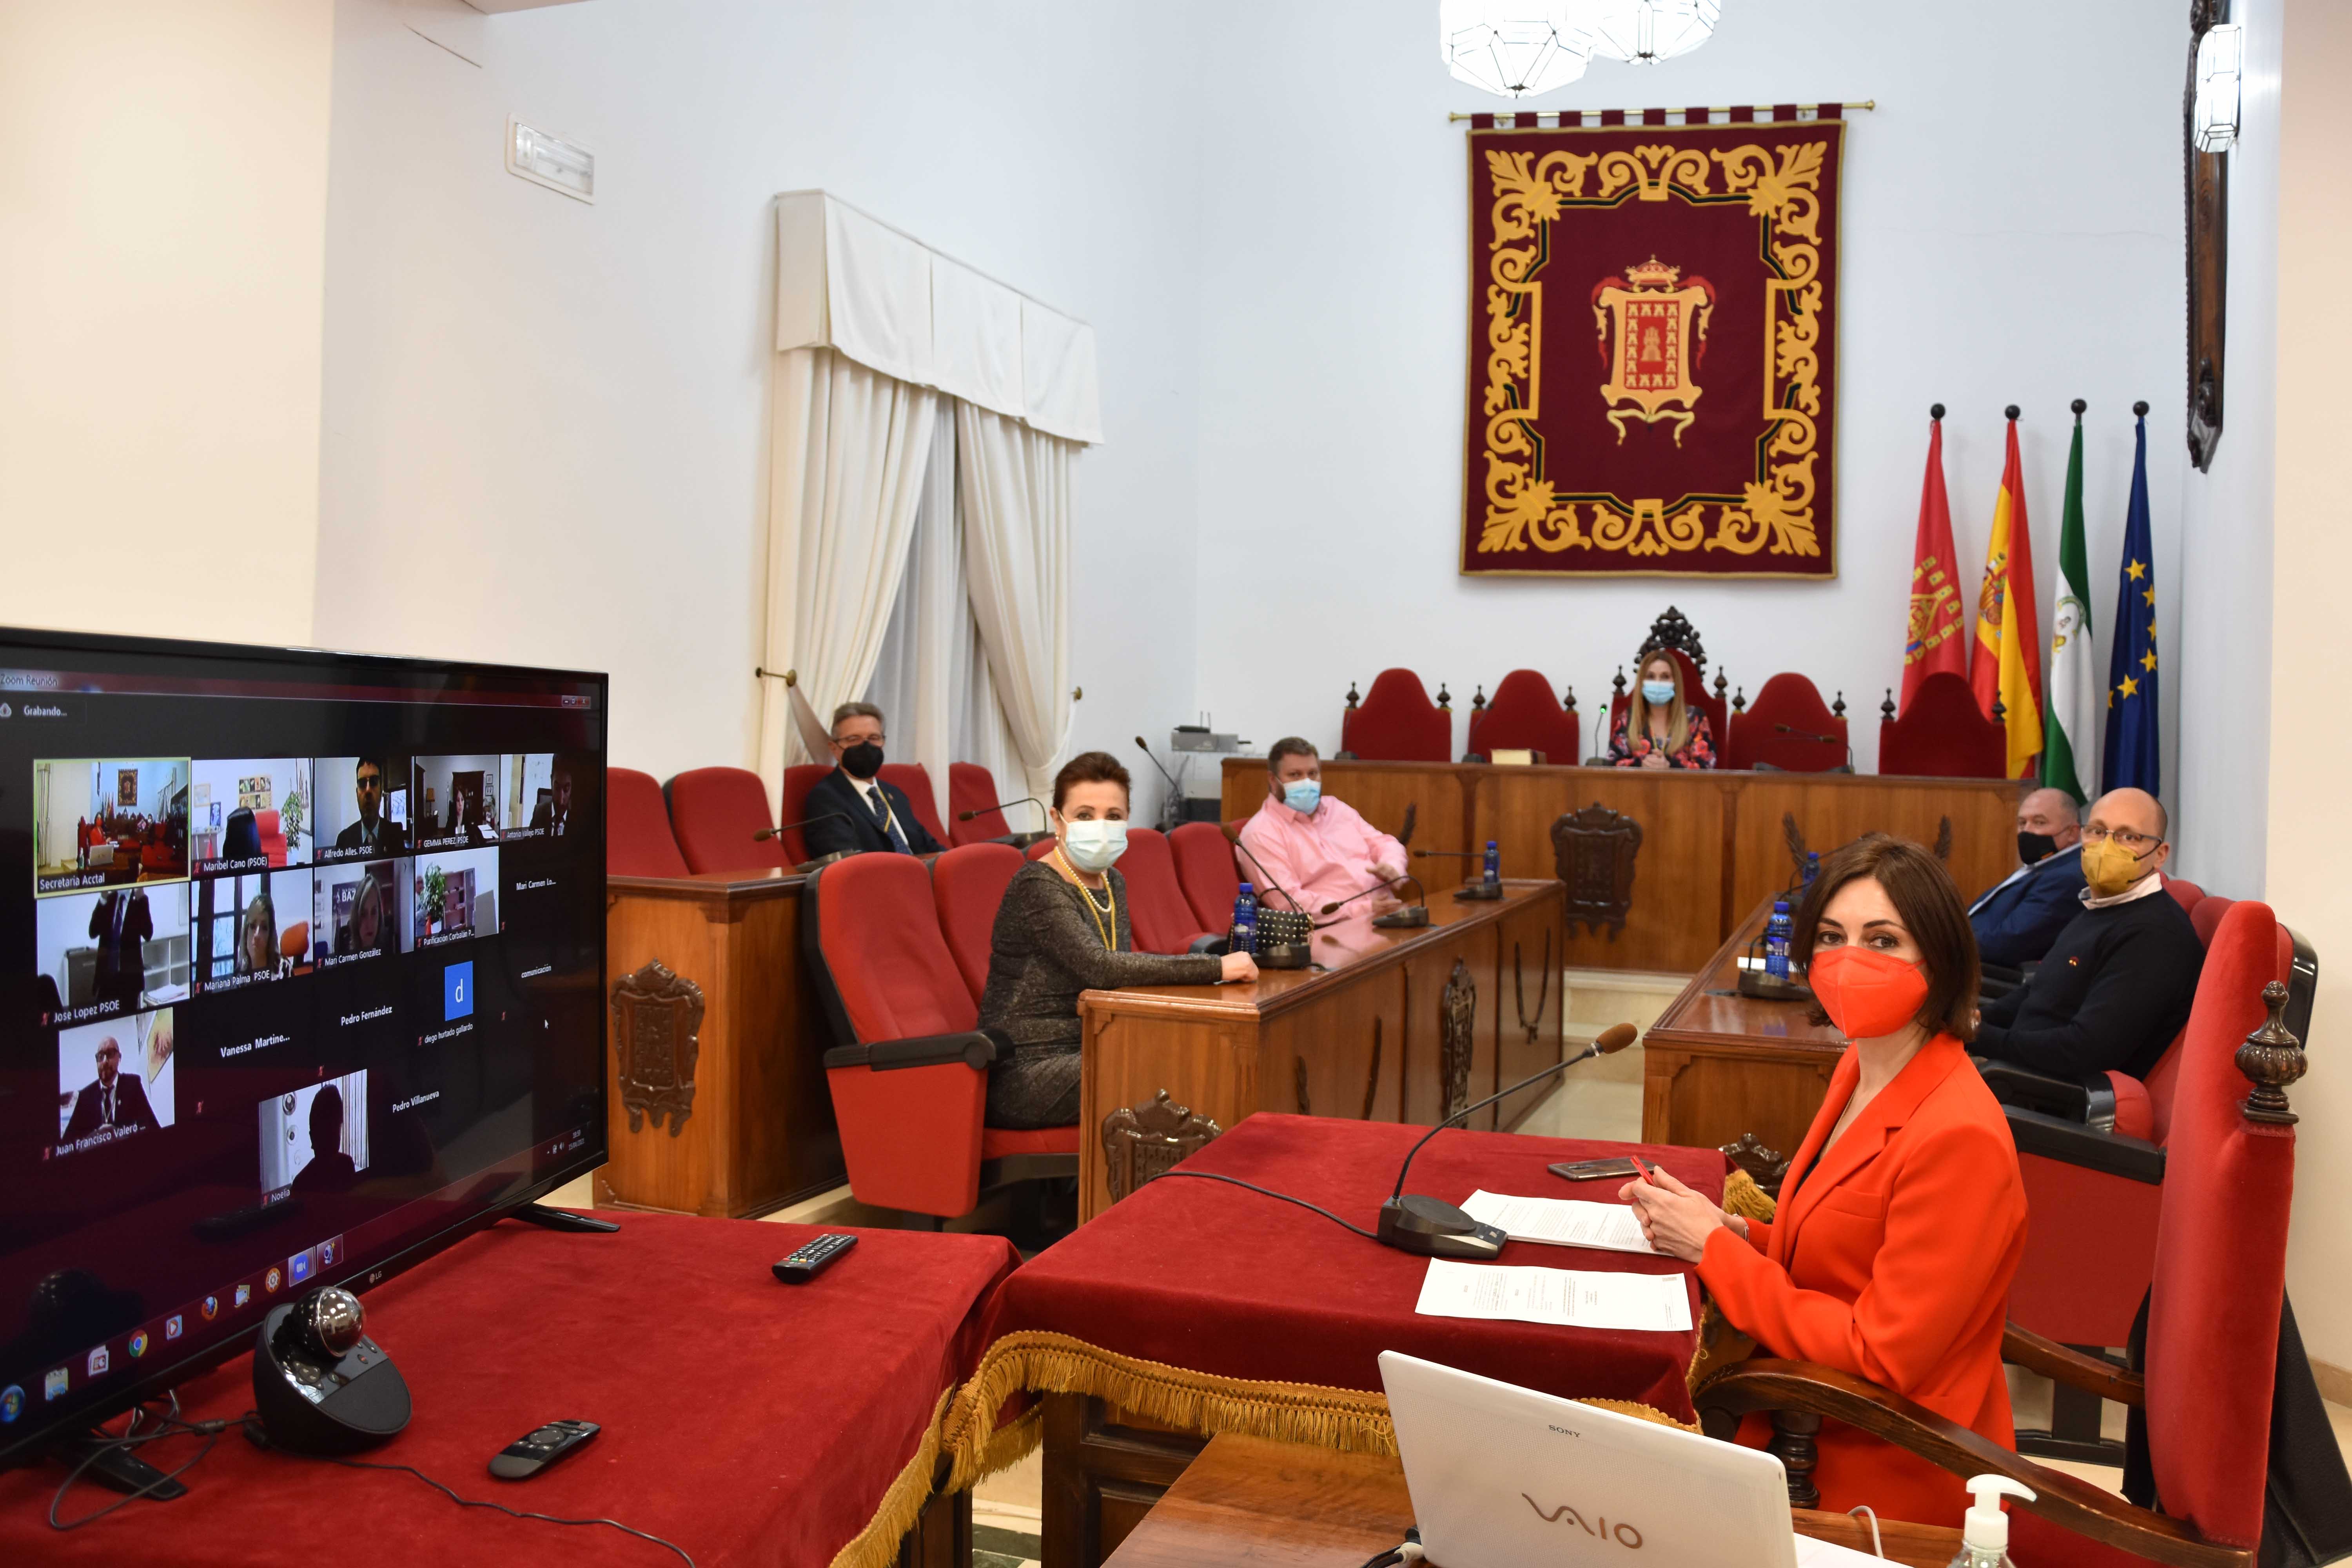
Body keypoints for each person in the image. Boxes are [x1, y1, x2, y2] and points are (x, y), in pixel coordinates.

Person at [1622, 832, 2024, 1526]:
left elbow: (1880, 1355)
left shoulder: (1960, 1136)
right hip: (1804, 1406)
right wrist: (1733, 1231)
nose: (1849, 960)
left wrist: (1713, 1253)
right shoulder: (1860, 1068)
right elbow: (1837, 1254)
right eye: (1832, 937)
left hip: (1877, 1455)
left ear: (1940, 958)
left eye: (1883, 940)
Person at [978, 751, 1256, 1128]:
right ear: (1057, 820)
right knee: (1179, 1063)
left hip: (1096, 1042)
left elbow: (1118, 979)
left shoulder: (1112, 882)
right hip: (1028, 1069)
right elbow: (1101, 968)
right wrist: (1216, 967)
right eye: (1084, 815)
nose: (1100, 826)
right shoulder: (1037, 885)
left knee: (1200, 1048)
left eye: (1113, 816)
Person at [1973, 786, 2203, 1082]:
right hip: (2014, 1066)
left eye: (2128, 837)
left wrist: (1979, 1037)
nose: (2107, 847)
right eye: (2097, 831)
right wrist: (1976, 1020)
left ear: (2160, 855)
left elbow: (2085, 1051)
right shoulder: (2103, 905)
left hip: (2041, 1091)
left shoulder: (2154, 935)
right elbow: (2042, 991)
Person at [1237, 738, 1408, 915]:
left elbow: (1385, 843)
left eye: (1312, 774)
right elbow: (1287, 901)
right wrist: (1362, 909)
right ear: (1273, 780)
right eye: (1295, 775)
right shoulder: (1261, 832)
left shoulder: (1336, 808)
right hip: (1338, 926)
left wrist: (1392, 866)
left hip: (1389, 911)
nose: (1307, 782)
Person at [801, 702, 945, 860]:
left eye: (874, 738)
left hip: (923, 871)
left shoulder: (895, 794)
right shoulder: (825, 799)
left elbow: (930, 847)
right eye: (853, 739)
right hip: (881, 873)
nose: (866, 746)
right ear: (834, 748)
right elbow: (848, 860)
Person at [1967, 787, 2087, 969]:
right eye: (2022, 823)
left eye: (2039, 823)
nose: (2026, 831)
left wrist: (1944, 939)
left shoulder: (2065, 878)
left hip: (1989, 973)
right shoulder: (2044, 866)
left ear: (2072, 833)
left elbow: (2006, 944)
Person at [1606, 649, 1716, 769]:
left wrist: (1670, 767)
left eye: (1665, 677)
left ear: (1675, 682)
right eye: (1651, 677)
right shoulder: (1627, 718)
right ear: (1642, 682)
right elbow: (1612, 764)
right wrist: (1641, 766)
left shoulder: (1695, 718)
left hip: (1680, 783)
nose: (1658, 682)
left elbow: (1707, 767)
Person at [62, 1035, 162, 1141]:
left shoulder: (133, 1085)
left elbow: (152, 1128)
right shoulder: (85, 1096)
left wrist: (121, 1136)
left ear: (120, 1058)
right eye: (101, 1056)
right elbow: (68, 1142)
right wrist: (93, 1138)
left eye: (110, 1054)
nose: (105, 1061)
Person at [87, 887, 153, 1009]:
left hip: (129, 981)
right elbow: (93, 932)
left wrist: (143, 899)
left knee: (127, 1018)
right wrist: (102, 900)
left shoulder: (138, 902)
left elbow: (148, 934)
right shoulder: (109, 900)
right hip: (106, 980)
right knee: (104, 1018)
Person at [290, 1084, 359, 1195]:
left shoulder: (347, 1166)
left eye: (336, 1127)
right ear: (313, 1137)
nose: (333, 1136)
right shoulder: (301, 1185)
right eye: (327, 1130)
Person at [334, 759, 407, 854]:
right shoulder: (343, 840)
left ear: (381, 791)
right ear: (357, 794)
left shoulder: (396, 834)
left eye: (374, 782)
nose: (368, 790)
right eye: (362, 784)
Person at [332, 870, 388, 957]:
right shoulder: (346, 952)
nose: (370, 925)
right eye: (363, 914)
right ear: (356, 917)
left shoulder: (388, 947)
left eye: (374, 912)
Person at [236, 890, 278, 978]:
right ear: (246, 932)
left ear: (270, 936)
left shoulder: (283, 969)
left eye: (264, 928)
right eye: (252, 926)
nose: (257, 935)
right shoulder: (239, 975)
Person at [529, 759, 575, 836]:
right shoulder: (538, 813)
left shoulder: (579, 820)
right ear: (551, 781)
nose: (561, 801)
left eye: (566, 789)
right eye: (557, 788)